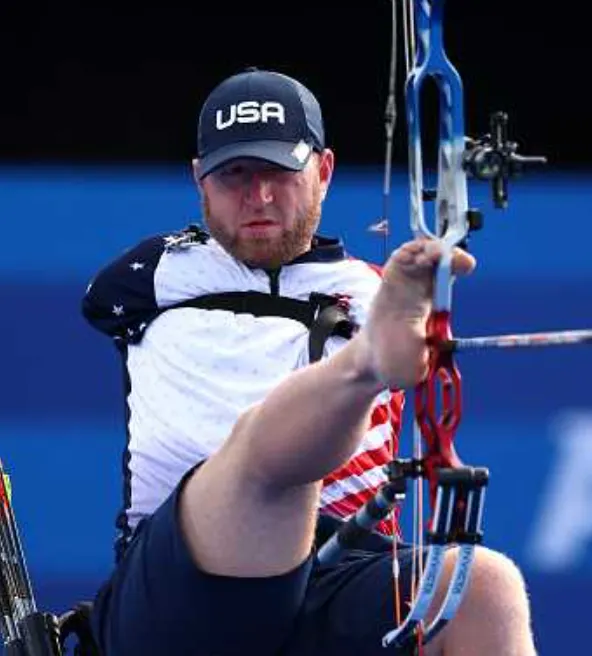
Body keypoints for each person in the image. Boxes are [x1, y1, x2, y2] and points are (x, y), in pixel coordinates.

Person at [80, 66, 537, 656]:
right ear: (200, 181)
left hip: (339, 570)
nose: (259, 197)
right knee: (267, 468)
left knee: (484, 587)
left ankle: (368, 362)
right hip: (183, 584)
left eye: (278, 171)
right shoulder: (151, 277)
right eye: (234, 175)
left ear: (322, 170)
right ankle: (365, 362)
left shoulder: (377, 288)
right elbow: (100, 301)